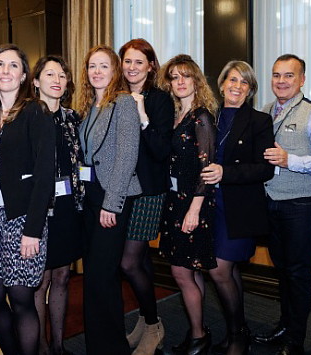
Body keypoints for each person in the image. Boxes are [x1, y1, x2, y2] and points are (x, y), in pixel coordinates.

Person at [255, 54, 311, 355]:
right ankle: (284, 326)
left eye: (289, 75)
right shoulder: (265, 111)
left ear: (302, 79)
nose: (281, 81)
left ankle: (296, 339)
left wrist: (290, 160)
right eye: (276, 75)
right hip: (271, 203)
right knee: (281, 270)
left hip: (301, 205)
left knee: (298, 273)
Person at [0, 44, 55, 355]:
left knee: (22, 300)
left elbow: (45, 176)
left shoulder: (35, 112)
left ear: (24, 75)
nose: (6, 71)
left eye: (13, 65)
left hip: (22, 221)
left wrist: (33, 230)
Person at [200, 61, 275, 355]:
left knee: (219, 270)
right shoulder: (207, 117)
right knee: (227, 272)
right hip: (207, 206)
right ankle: (237, 332)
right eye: (232, 80)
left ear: (251, 89)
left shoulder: (259, 121)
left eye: (244, 83)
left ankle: (238, 336)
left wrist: (225, 173)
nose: (237, 86)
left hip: (238, 207)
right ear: (221, 84)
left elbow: (264, 169)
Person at [78, 44, 141, 355]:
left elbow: (127, 156)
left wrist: (111, 203)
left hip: (111, 196)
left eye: (104, 66)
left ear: (115, 71)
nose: (97, 72)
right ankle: (102, 345)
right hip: (89, 196)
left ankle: (110, 348)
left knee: (101, 275)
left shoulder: (124, 103)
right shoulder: (89, 107)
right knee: (95, 275)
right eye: (92, 66)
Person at [157, 54, 218, 355]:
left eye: (186, 76)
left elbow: (207, 171)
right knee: (190, 270)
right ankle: (200, 332)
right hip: (174, 201)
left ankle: (198, 336)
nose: (180, 82)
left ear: (196, 80)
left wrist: (194, 210)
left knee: (182, 272)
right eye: (174, 77)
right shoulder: (175, 115)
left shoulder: (201, 117)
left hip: (193, 204)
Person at [118, 38, 173, 355]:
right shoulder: (115, 98)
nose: (132, 67)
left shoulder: (160, 101)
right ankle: (144, 318)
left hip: (149, 191)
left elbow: (160, 150)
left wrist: (142, 114)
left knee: (128, 261)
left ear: (151, 66)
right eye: (127, 61)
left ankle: (153, 325)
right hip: (120, 191)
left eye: (139, 61)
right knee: (137, 260)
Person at [31, 55, 84, 355]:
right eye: (49, 74)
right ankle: (40, 347)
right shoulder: (26, 117)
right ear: (36, 81)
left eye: (62, 75)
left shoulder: (73, 118)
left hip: (67, 207)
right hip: (39, 209)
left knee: (63, 275)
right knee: (41, 280)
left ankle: (59, 345)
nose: (57, 80)